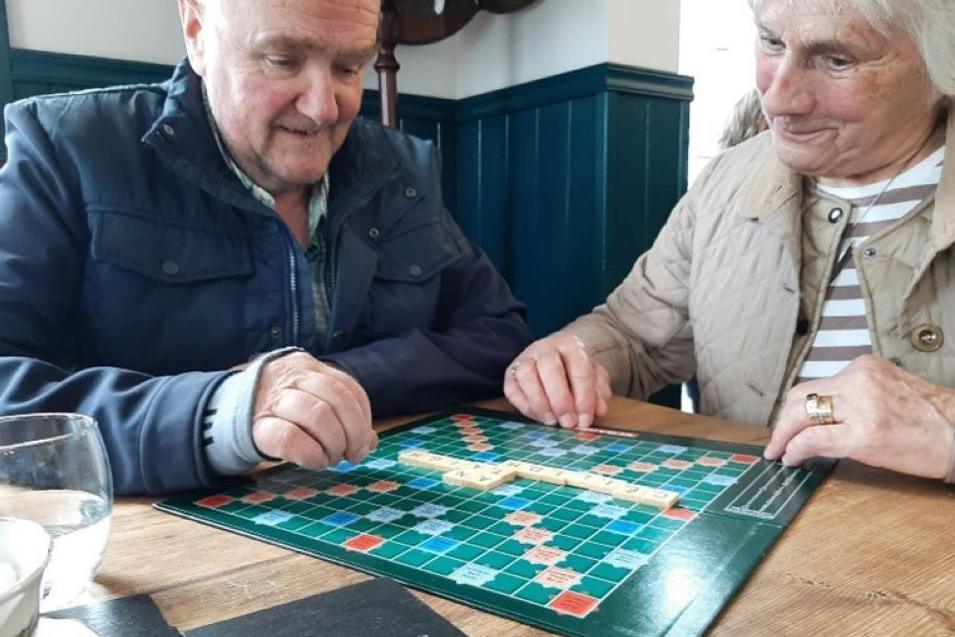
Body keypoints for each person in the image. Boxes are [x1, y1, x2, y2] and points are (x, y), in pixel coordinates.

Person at [0, 0, 530, 495]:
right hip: (154, 553)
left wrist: (333, 384)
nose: (325, 108)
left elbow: (499, 333)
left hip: (394, 513)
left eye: (349, 67)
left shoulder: (402, 172)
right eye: (282, 60)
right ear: (197, 30)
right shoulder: (66, 149)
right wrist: (221, 413)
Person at [503, 0, 955, 484]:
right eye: (772, 42)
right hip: (744, 534)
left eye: (837, 60)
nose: (779, 98)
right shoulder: (724, 181)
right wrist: (568, 359)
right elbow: (632, 336)